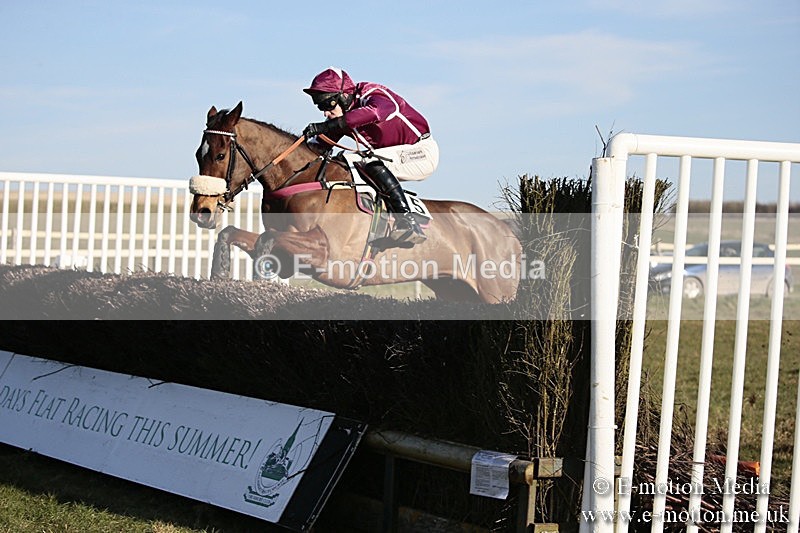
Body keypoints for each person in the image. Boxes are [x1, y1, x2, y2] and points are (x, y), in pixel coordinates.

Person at [302, 67, 439, 244]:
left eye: (327, 104)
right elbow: (318, 147)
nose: (325, 113)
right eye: (320, 106)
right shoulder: (343, 115)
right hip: (393, 156)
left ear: (343, 95)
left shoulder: (373, 93)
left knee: (362, 160)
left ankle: (407, 221)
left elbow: (377, 112)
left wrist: (326, 126)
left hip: (420, 153)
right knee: (343, 163)